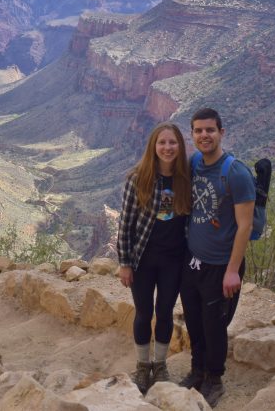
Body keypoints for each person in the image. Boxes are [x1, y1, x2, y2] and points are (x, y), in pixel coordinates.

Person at [178, 107, 255, 407]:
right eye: (198, 130)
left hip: (221, 265)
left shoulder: (236, 173)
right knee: (195, 322)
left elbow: (245, 225)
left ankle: (215, 379)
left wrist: (232, 270)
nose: (204, 135)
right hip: (193, 261)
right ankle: (197, 371)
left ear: (222, 132)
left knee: (214, 325)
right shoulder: (195, 162)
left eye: (210, 130)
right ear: (193, 134)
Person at [116, 122, 191, 393]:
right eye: (162, 143)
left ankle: (160, 365)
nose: (168, 148)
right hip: (143, 259)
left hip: (173, 260)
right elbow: (125, 224)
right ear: (153, 146)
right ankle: (142, 366)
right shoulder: (138, 179)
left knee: (165, 313)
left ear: (180, 146)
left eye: (173, 143)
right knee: (144, 312)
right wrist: (124, 263)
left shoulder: (186, 179)